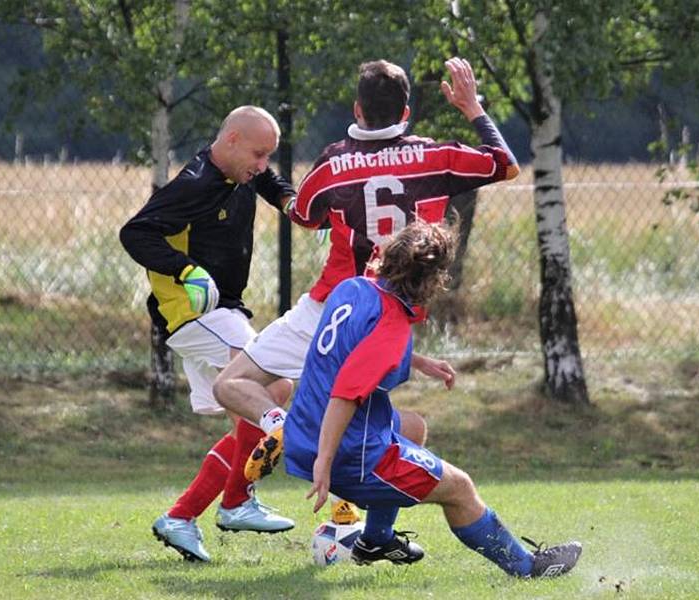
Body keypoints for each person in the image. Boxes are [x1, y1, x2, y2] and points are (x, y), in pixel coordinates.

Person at [212, 57, 520, 479]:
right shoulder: (434, 156)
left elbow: (304, 214)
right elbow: (505, 163)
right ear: (406, 113)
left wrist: (271, 185)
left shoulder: (332, 165)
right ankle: (365, 526)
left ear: (357, 110)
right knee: (391, 426)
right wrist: (472, 107)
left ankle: (280, 426)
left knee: (230, 385)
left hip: (332, 308)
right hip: (387, 320)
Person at [287, 220, 582, 577]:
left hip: (302, 429)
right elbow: (347, 394)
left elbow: (352, 351)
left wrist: (418, 361)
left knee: (412, 427)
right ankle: (528, 568)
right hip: (347, 452)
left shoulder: (352, 288)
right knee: (459, 488)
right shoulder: (391, 325)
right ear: (430, 280)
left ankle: (375, 539)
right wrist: (326, 460)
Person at [119, 105, 297, 563]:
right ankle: (236, 502)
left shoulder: (239, 171)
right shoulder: (195, 184)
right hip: (194, 311)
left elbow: (267, 181)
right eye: (258, 154)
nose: (262, 165)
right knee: (271, 385)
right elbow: (135, 232)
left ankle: (181, 517)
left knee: (247, 414)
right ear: (232, 139)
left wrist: (293, 204)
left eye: (268, 156)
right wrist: (186, 270)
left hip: (221, 313)